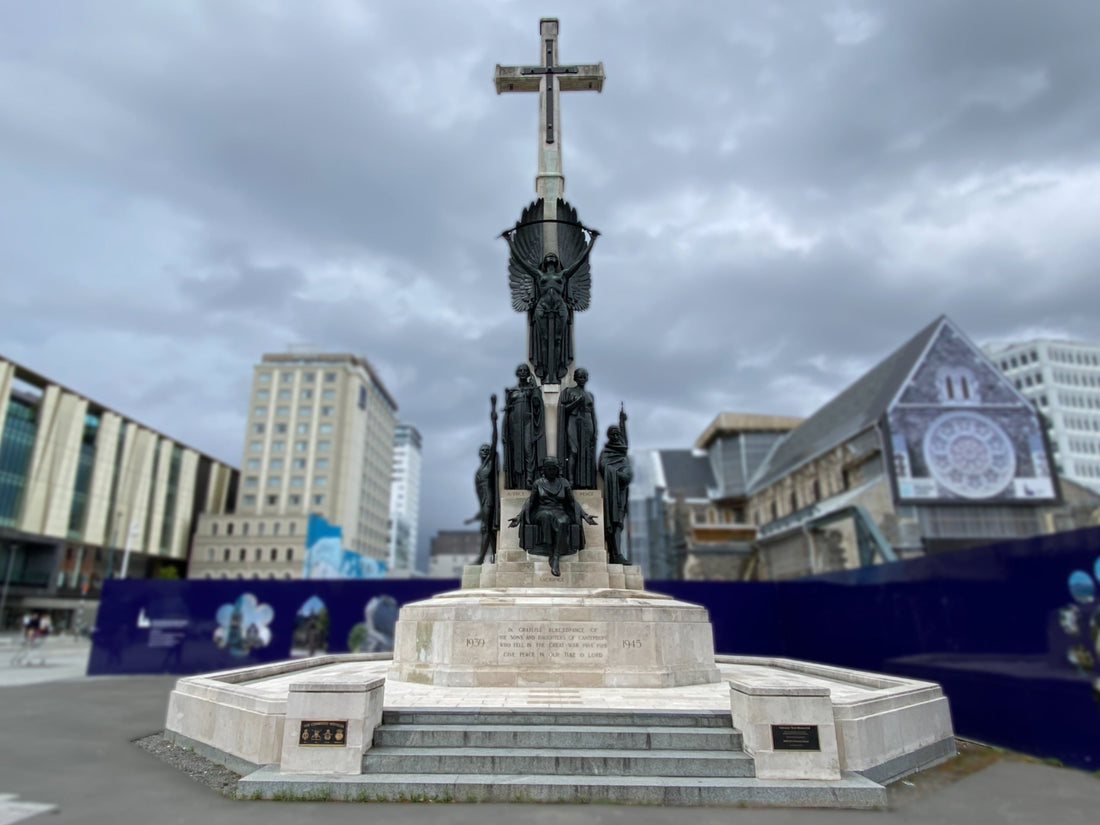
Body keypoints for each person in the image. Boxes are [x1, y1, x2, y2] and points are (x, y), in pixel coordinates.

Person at [509, 457, 597, 577]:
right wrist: (519, 517)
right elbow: (530, 502)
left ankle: (555, 556)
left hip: (560, 511)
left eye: (553, 469)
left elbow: (572, 502)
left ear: (557, 470)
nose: (551, 471)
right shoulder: (538, 483)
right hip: (542, 511)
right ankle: (551, 550)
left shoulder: (564, 483)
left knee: (563, 521)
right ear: (544, 470)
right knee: (546, 516)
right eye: (549, 469)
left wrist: (585, 516)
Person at [465, 395, 500, 564]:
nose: (485, 452)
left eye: (487, 450)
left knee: (486, 529)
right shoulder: (479, 470)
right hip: (484, 503)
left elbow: (494, 440)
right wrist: (474, 516)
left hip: (490, 502)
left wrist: (493, 413)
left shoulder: (490, 463)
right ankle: (495, 556)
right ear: (479, 453)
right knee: (489, 530)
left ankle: (480, 558)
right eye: (482, 450)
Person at [598, 406, 633, 565]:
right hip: (612, 494)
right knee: (614, 524)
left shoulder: (622, 451)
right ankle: (615, 554)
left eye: (618, 433)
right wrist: (621, 473)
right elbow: (604, 468)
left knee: (619, 524)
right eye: (613, 434)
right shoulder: (606, 453)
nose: (617, 436)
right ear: (609, 437)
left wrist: (622, 422)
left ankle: (617, 554)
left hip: (621, 492)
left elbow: (625, 441)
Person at [502, 364, 546, 489]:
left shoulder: (532, 389)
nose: (522, 372)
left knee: (528, 449)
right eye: (520, 370)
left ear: (528, 374)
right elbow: (508, 409)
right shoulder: (512, 391)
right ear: (517, 373)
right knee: (516, 451)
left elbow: (537, 404)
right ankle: (517, 480)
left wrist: (535, 390)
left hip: (527, 422)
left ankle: (530, 478)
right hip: (514, 423)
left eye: (525, 371)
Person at [557, 367, 597, 489]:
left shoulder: (590, 395)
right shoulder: (568, 391)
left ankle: (585, 482)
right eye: (580, 376)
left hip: (587, 421)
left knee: (586, 452)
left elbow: (593, 414)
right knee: (574, 450)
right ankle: (571, 481)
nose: (582, 379)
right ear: (575, 378)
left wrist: (595, 431)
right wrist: (576, 402)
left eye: (584, 377)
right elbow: (563, 409)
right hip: (573, 420)